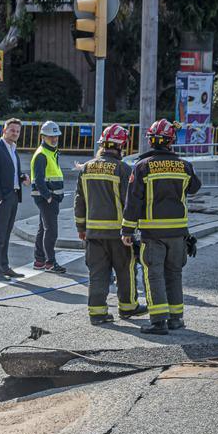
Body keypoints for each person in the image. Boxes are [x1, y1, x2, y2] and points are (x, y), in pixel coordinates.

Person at [121, 118, 202, 335]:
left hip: (153, 233)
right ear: (170, 141)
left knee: (153, 275)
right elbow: (195, 187)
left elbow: (133, 201)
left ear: (151, 141)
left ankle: (158, 322)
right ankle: (176, 319)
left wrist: (127, 230)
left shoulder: (142, 167)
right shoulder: (184, 166)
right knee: (174, 273)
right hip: (178, 233)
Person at [75, 124, 146, 324]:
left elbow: (79, 200)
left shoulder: (86, 167)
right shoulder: (123, 169)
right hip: (118, 234)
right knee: (125, 271)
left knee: (97, 273)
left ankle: (97, 313)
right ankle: (128, 308)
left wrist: (81, 228)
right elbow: (129, 202)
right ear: (121, 145)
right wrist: (131, 229)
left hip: (93, 234)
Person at [0, 118, 29, 281]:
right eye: (12, 130)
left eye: (17, 131)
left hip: (13, 195)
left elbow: (11, 172)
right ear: (4, 130)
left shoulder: (12, 149)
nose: (15, 133)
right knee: (0, 233)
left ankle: (4, 266)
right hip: (3, 197)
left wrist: (22, 176)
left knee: (6, 232)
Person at [30, 120, 66, 273]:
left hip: (49, 198)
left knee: (43, 229)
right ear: (43, 137)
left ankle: (39, 260)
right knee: (51, 230)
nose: (54, 139)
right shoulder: (42, 155)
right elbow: (38, 180)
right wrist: (48, 197)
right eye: (51, 136)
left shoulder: (51, 152)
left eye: (56, 136)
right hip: (46, 198)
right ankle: (50, 263)